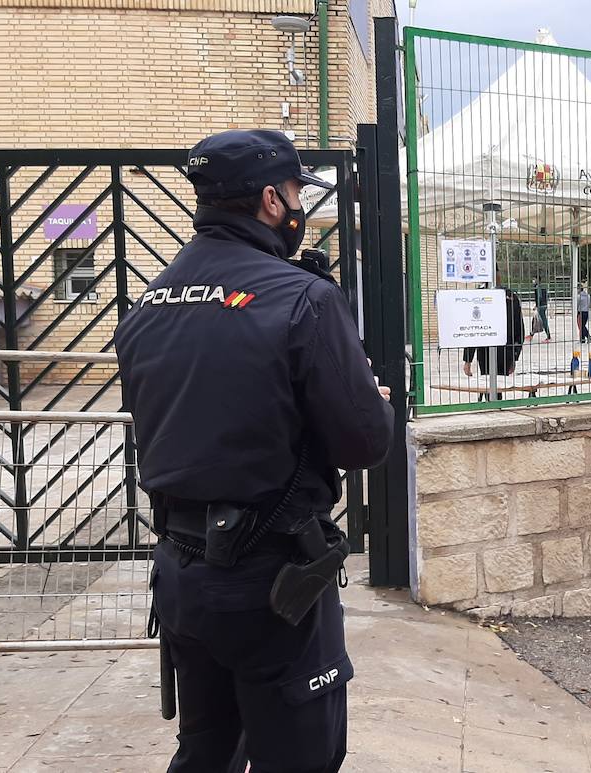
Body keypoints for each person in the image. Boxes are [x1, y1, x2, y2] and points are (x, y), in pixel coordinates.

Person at [115, 129, 393, 773]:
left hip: (183, 578)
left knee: (207, 748)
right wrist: (369, 398)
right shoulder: (305, 298)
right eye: (296, 193)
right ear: (272, 200)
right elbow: (365, 442)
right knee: (299, 756)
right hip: (275, 581)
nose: (300, 208)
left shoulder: (148, 304)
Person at [463, 286, 525, 398]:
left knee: (498, 385)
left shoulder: (510, 296)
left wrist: (514, 356)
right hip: (485, 349)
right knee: (489, 384)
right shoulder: (478, 295)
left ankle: (495, 406)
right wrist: (468, 359)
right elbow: (472, 329)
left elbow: (519, 329)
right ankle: (492, 405)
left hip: (505, 350)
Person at [530, 277, 551, 342]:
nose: (533, 281)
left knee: (542, 321)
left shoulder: (537, 287)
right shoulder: (543, 287)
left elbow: (539, 297)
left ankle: (548, 336)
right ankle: (532, 334)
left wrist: (537, 305)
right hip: (544, 305)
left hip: (541, 306)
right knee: (536, 319)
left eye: (534, 279)